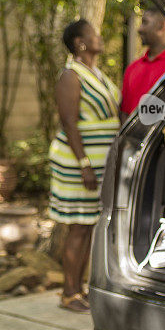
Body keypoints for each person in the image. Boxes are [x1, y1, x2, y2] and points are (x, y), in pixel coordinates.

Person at [49, 20, 120, 313]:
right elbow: (69, 123)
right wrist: (85, 164)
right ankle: (68, 293)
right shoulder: (70, 75)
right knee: (78, 227)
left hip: (98, 164)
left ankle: (79, 289)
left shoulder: (97, 74)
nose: (99, 37)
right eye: (93, 34)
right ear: (80, 43)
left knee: (89, 226)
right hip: (78, 164)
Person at [119, 7, 165, 122]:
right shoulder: (132, 68)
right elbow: (125, 114)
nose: (139, 29)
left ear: (161, 26)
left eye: (145, 22)